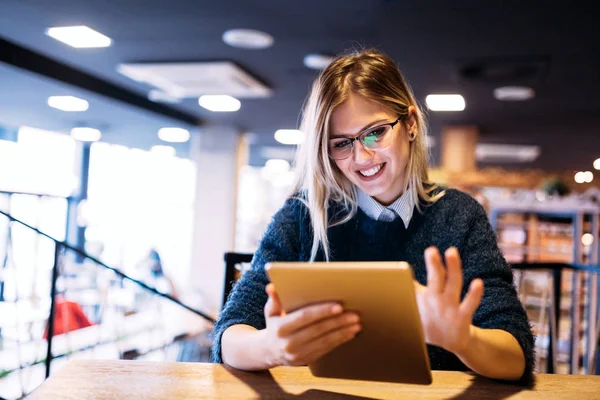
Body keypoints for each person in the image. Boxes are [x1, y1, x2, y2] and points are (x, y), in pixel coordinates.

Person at [211, 49, 534, 382]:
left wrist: (463, 340)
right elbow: (229, 334)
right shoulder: (304, 216)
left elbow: (515, 357)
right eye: (341, 143)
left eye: (375, 132)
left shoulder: (460, 216)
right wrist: (270, 346)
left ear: (410, 124)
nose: (362, 156)